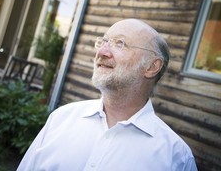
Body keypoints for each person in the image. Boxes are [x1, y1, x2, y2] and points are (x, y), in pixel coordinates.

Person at [17, 19, 197, 171]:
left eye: (120, 44)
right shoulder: (60, 118)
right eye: (103, 42)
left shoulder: (177, 158)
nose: (102, 52)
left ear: (151, 67)